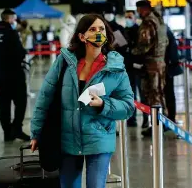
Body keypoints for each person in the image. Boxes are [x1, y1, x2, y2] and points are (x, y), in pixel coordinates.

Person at [30, 14, 135, 188]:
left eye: (101, 29)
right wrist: (36, 133)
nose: (98, 33)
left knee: (95, 185)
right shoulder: (65, 62)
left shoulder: (116, 68)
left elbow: (128, 106)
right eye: (92, 29)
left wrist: (103, 104)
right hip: (68, 138)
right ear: (81, 36)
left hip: (99, 137)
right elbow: (45, 97)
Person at [0, 9, 30, 142]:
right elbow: (20, 53)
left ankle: (7, 132)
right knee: (21, 102)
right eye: (13, 19)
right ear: (10, 19)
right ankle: (16, 129)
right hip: (14, 75)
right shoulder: (11, 33)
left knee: (4, 104)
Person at [132, 0, 168, 137]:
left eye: (139, 10)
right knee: (159, 92)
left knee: (153, 95)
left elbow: (144, 44)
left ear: (144, 9)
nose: (138, 13)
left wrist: (132, 52)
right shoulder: (159, 20)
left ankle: (158, 125)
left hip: (151, 64)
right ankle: (162, 124)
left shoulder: (148, 22)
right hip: (160, 62)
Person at [124, 10, 149, 129]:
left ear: (134, 17)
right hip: (128, 67)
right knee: (130, 94)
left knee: (143, 94)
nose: (127, 19)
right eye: (126, 17)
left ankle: (146, 119)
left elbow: (142, 49)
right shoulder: (124, 30)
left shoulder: (140, 31)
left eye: (130, 16)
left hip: (138, 67)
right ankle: (131, 119)